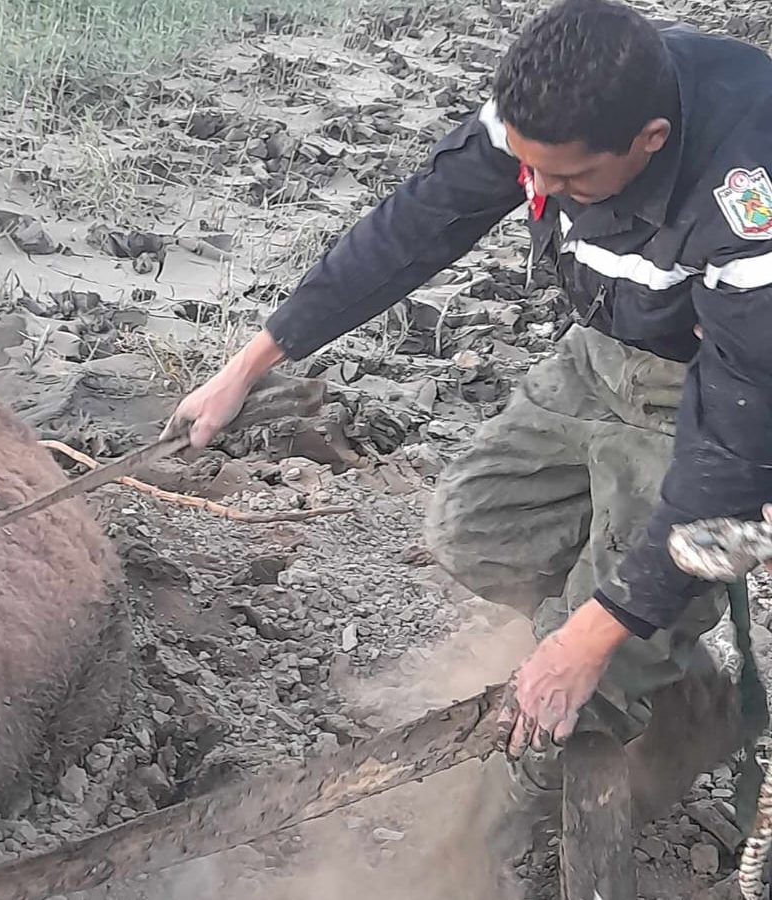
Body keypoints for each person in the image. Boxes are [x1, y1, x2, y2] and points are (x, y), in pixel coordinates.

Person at [164, 0, 772, 893]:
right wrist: (249, 363)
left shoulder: (747, 199)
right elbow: (415, 226)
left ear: (649, 140)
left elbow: (735, 459)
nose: (541, 195)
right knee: (470, 526)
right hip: (603, 354)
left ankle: (470, 849)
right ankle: (668, 662)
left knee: (577, 688)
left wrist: (592, 635)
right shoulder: (551, 111)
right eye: (529, 171)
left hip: (723, 388)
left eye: (570, 181)